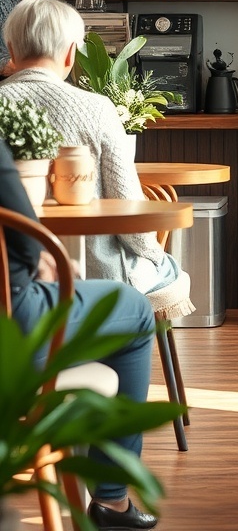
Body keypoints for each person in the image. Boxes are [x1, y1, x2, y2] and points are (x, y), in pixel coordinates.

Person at [0, 136, 158, 529]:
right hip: (12, 328)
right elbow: (24, 237)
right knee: (135, 309)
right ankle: (112, 498)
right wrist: (41, 262)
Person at [1, 0, 193, 320]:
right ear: (70, 54)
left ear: (11, 49)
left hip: (9, 282)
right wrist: (156, 255)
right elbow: (131, 217)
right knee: (168, 267)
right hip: (97, 277)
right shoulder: (95, 109)